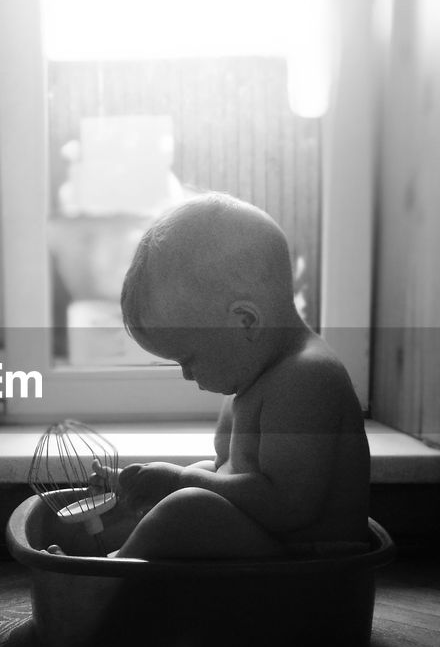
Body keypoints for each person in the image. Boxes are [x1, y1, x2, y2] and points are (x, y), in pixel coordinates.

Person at [100, 192, 370, 559]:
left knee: (186, 510)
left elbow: (285, 506)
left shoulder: (305, 379)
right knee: (183, 498)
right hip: (271, 553)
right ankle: (120, 563)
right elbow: (227, 474)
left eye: (189, 358)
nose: (186, 375)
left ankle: (104, 582)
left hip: (309, 568)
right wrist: (168, 483)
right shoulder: (254, 374)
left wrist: (181, 483)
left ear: (245, 322)